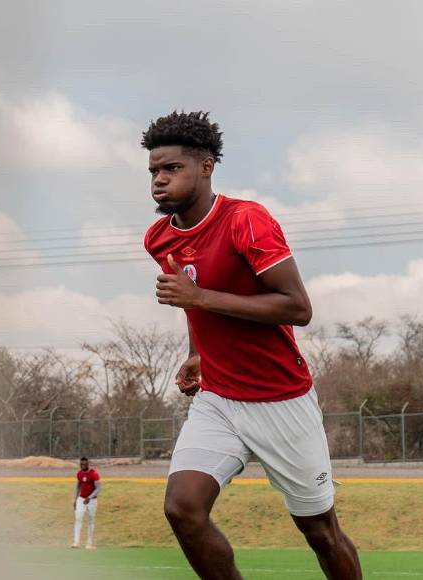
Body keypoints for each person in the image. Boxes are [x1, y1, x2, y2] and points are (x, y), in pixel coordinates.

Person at [142, 110, 361, 580]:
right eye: (154, 172)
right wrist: (197, 351)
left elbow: (296, 307)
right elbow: (191, 300)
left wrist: (200, 297)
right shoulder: (159, 238)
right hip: (219, 400)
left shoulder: (247, 220)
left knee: (320, 531)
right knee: (183, 509)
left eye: (172, 169)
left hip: (282, 400)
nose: (160, 180)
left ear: (205, 167)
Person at [72, 456, 101, 549]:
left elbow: (98, 488)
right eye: (81, 464)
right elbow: (78, 486)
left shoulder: (94, 474)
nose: (82, 465)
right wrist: (76, 499)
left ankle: (89, 543)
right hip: (81, 499)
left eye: (84, 464)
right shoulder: (79, 474)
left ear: (88, 464)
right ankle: (76, 542)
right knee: (78, 519)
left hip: (92, 501)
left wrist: (90, 497)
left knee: (91, 521)